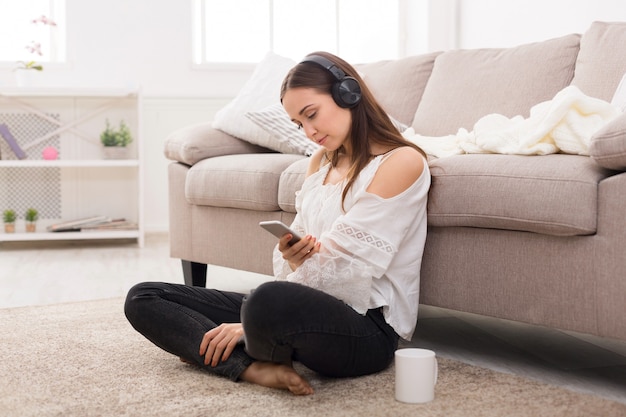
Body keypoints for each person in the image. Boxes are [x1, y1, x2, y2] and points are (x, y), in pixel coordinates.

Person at [124, 51, 430, 396]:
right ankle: (252, 368)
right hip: (303, 306)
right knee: (144, 296)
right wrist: (295, 257)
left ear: (349, 94)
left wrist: (248, 323)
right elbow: (306, 266)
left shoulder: (401, 161)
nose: (309, 132)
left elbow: (350, 270)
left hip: (366, 328)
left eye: (311, 115)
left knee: (266, 300)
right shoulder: (320, 163)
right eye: (300, 124)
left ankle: (246, 340)